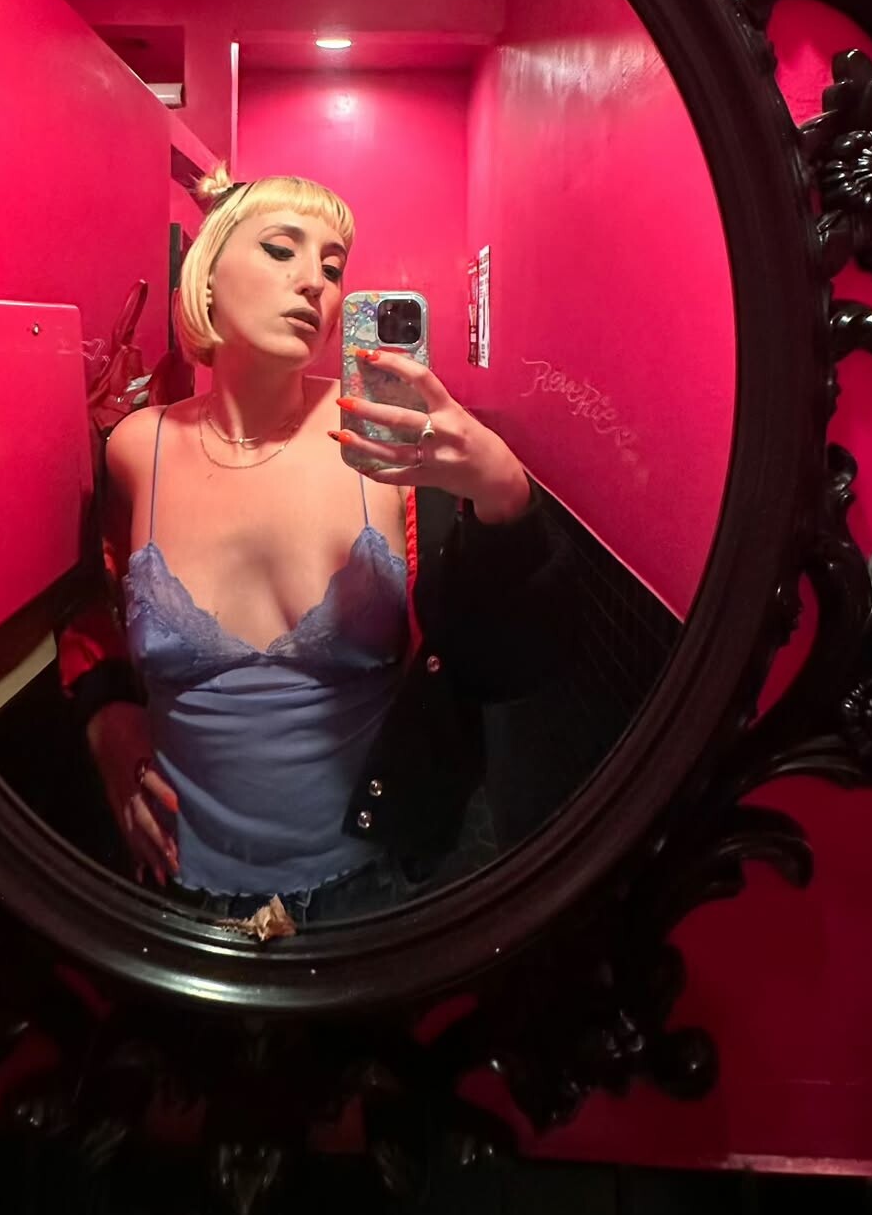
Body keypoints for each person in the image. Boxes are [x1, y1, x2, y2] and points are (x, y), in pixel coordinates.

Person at [57, 163, 577, 927]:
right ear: (206, 276)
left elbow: (501, 668)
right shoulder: (137, 448)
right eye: (281, 250)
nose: (314, 283)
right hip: (178, 897)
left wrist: (503, 497)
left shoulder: (388, 448)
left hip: (383, 889)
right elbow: (86, 610)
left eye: (333, 269)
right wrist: (105, 719)